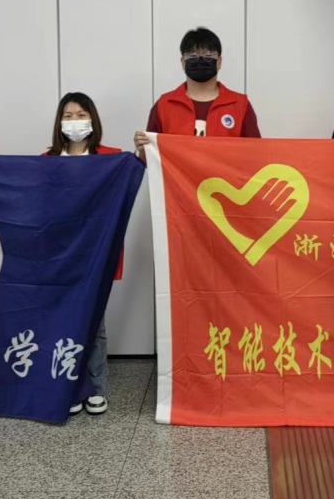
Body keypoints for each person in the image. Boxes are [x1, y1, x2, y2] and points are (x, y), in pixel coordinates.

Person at [44, 92, 122, 416]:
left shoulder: (111, 157)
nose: (74, 121)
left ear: (92, 119)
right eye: (68, 115)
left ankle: (97, 388)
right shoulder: (47, 159)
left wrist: (144, 152)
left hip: (96, 252)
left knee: (95, 323)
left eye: (81, 114)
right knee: (62, 322)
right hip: (61, 254)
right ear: (59, 121)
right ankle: (70, 386)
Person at [133, 27, 260, 159]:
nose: (200, 61)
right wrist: (142, 149)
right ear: (183, 62)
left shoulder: (240, 105)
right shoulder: (164, 105)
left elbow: (256, 156)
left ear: (219, 62)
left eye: (208, 56)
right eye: (192, 56)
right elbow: (150, 160)